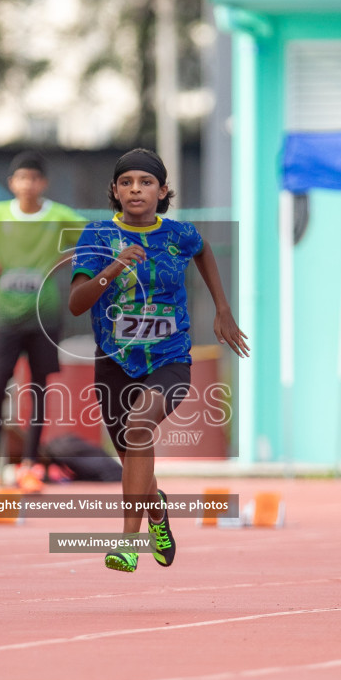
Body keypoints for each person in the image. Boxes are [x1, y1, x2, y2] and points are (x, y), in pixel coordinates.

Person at [68, 148, 249, 573]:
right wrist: (112, 267)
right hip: (114, 363)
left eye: (146, 182)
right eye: (127, 182)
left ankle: (127, 543)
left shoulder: (178, 234)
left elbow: (203, 249)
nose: (136, 189)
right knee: (132, 455)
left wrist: (223, 308)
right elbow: (77, 303)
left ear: (163, 190)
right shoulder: (98, 235)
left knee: (139, 426)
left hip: (169, 358)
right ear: (114, 190)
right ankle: (157, 508)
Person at [0, 152, 85, 478]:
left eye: (34, 178)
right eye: (22, 178)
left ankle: (30, 464)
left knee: (38, 387)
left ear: (44, 183)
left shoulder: (59, 216)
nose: (28, 185)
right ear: (12, 183)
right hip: (6, 316)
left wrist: (59, 263)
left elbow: (98, 240)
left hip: (45, 314)